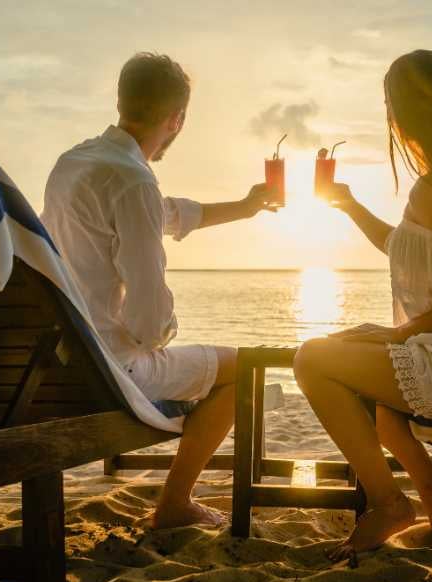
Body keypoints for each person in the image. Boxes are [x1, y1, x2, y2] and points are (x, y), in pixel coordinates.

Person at [293, 50, 432, 559]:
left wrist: (402, 332)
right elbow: (405, 247)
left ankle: (389, 503)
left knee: (312, 359)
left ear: (400, 113)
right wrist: (350, 205)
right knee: (368, 382)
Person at [41, 52, 277, 529]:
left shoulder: (76, 163)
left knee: (217, 363)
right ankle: (175, 504)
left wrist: (245, 207)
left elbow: (168, 213)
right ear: (177, 119)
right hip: (114, 369)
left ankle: (176, 500)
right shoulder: (132, 180)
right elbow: (148, 323)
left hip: (65, 358)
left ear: (123, 100)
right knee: (245, 369)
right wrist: (168, 329)